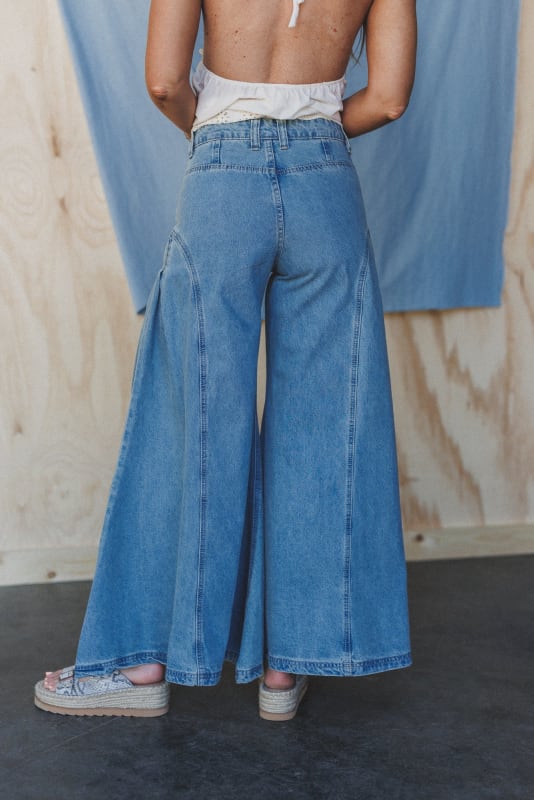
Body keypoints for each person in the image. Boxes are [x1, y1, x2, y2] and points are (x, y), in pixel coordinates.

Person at [35, 0, 417, 721]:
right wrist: (311, 130)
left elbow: (163, 82)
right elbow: (390, 97)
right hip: (326, 181)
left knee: (188, 416)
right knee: (322, 423)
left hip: (223, 176)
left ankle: (141, 665)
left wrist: (226, 138)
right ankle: (284, 669)